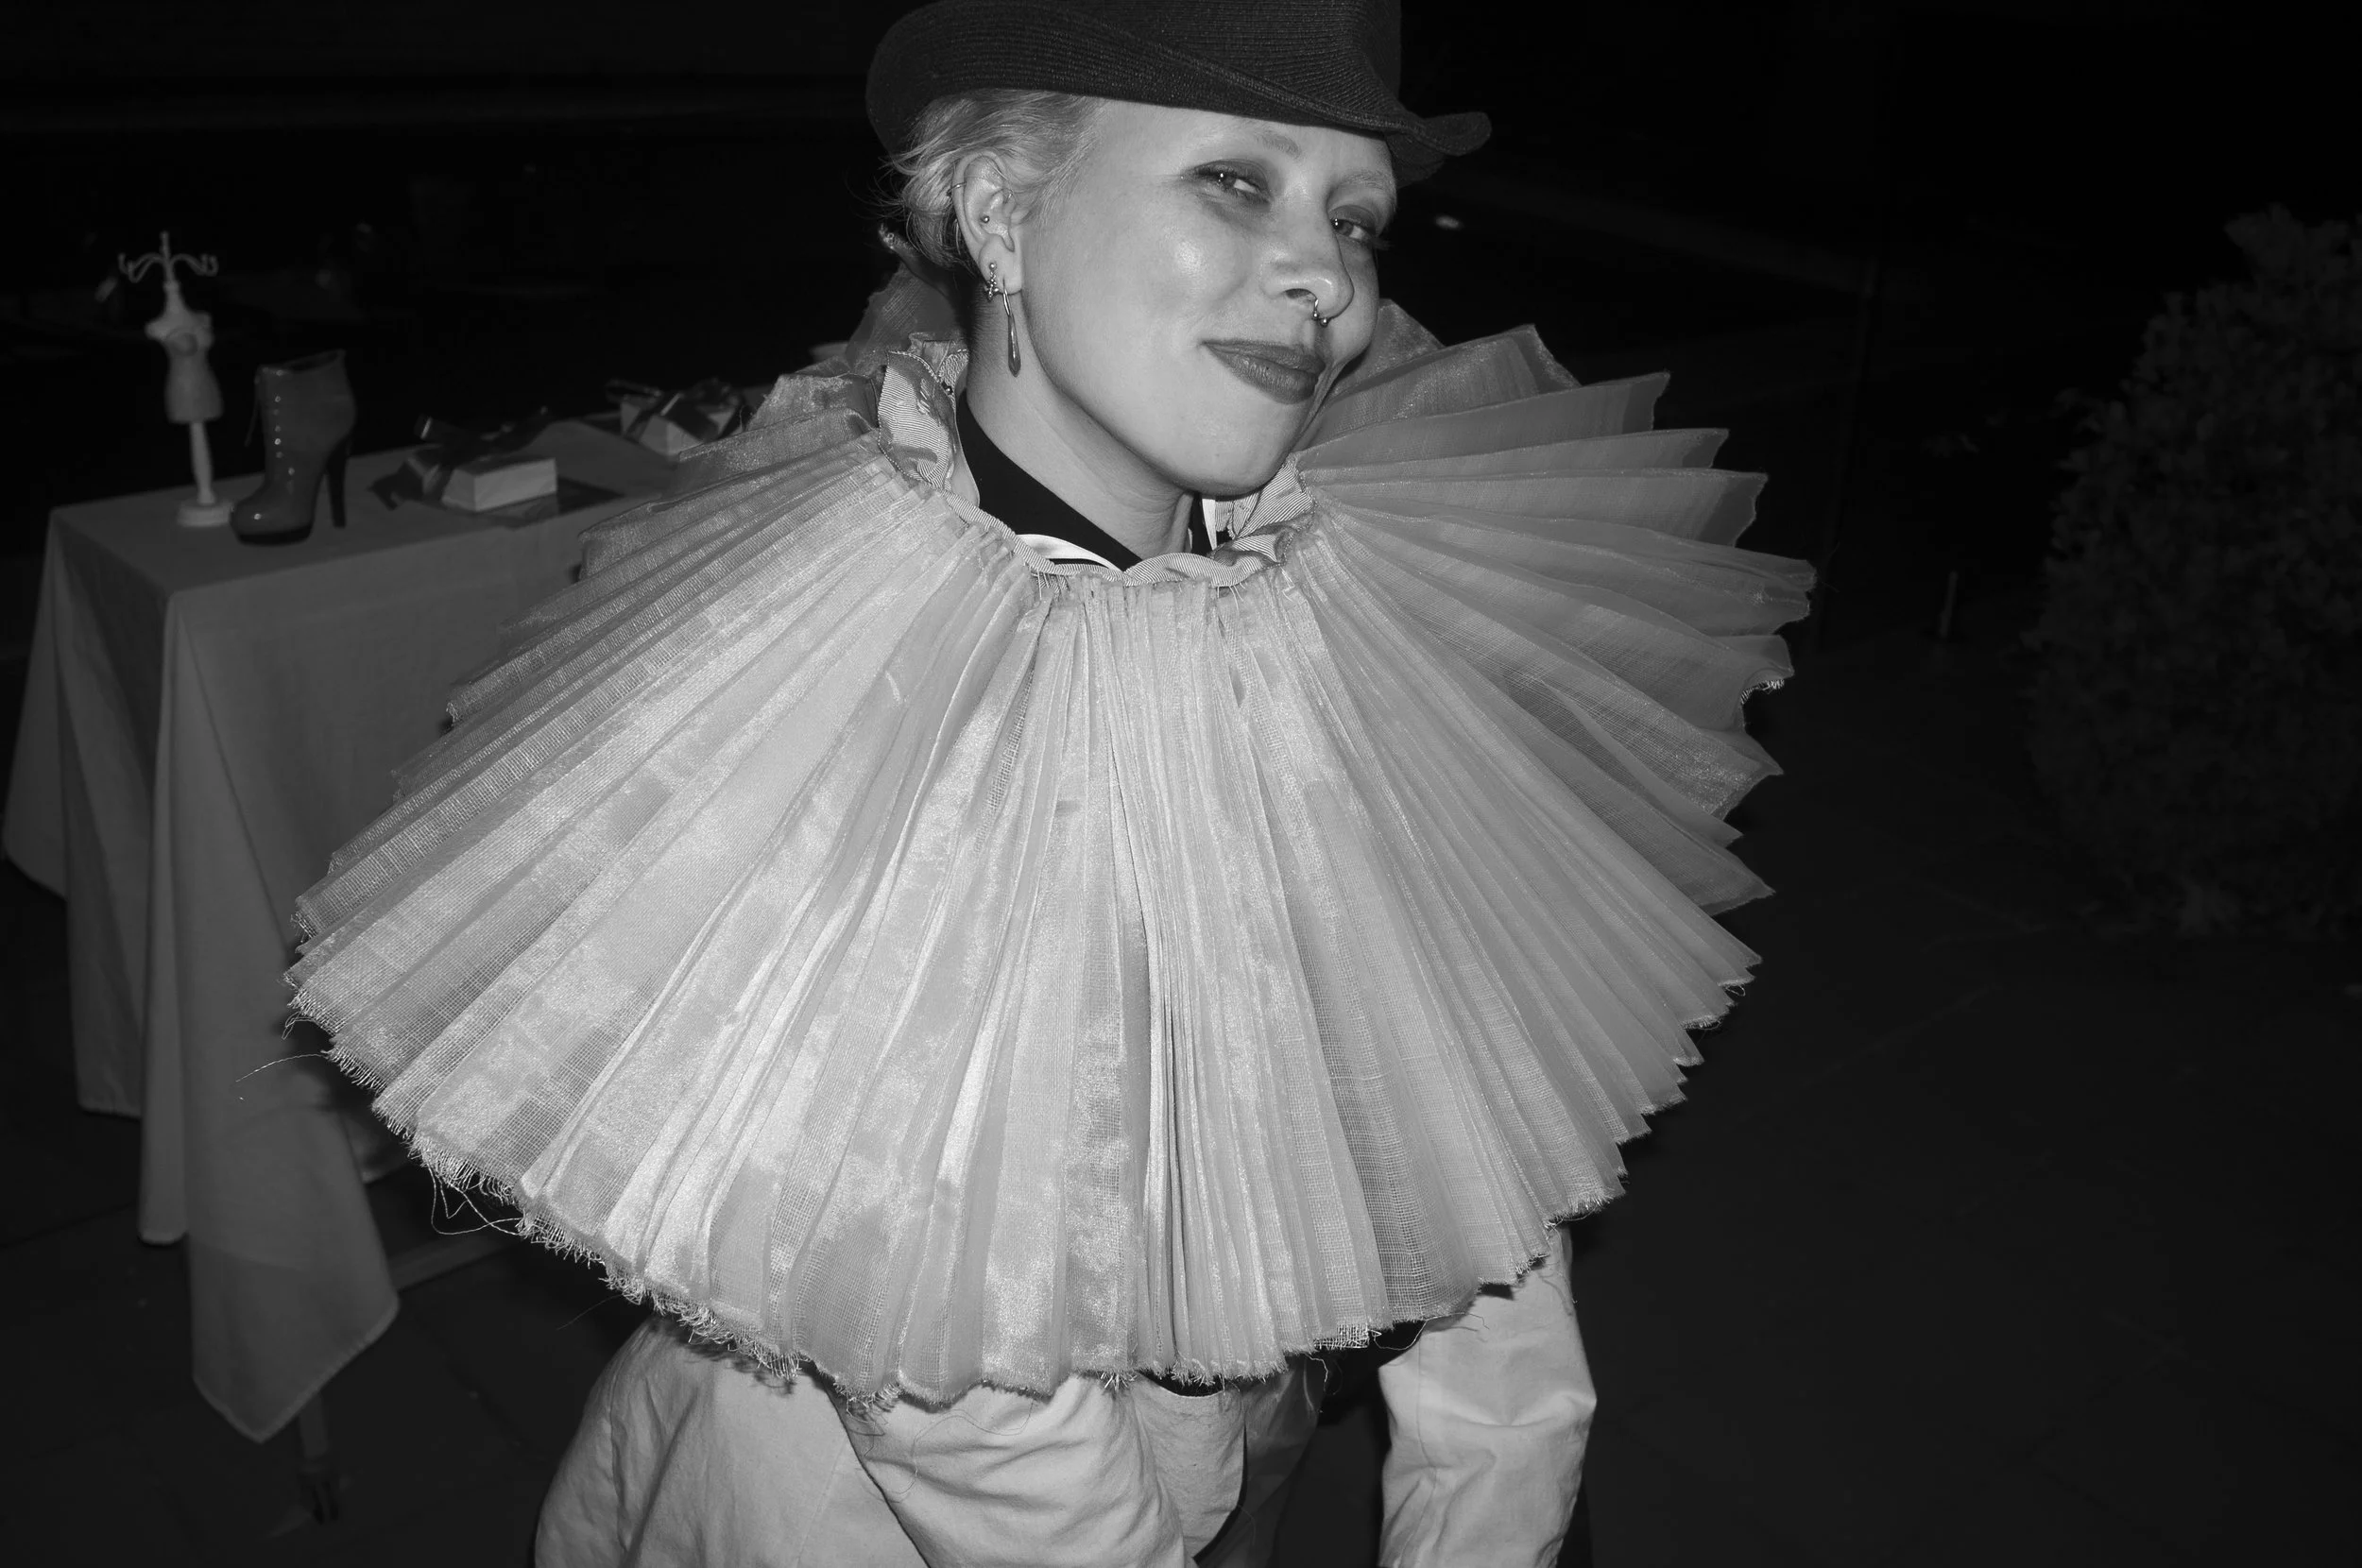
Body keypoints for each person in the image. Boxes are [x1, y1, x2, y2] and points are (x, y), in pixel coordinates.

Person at [288, 2, 1812, 1562]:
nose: (1329, 278)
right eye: (1236, 182)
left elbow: (1486, 1202)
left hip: (1223, 1471)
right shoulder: (843, 671)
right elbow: (958, 1388)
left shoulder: (1364, 619)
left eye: (1358, 217)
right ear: (1002, 214)